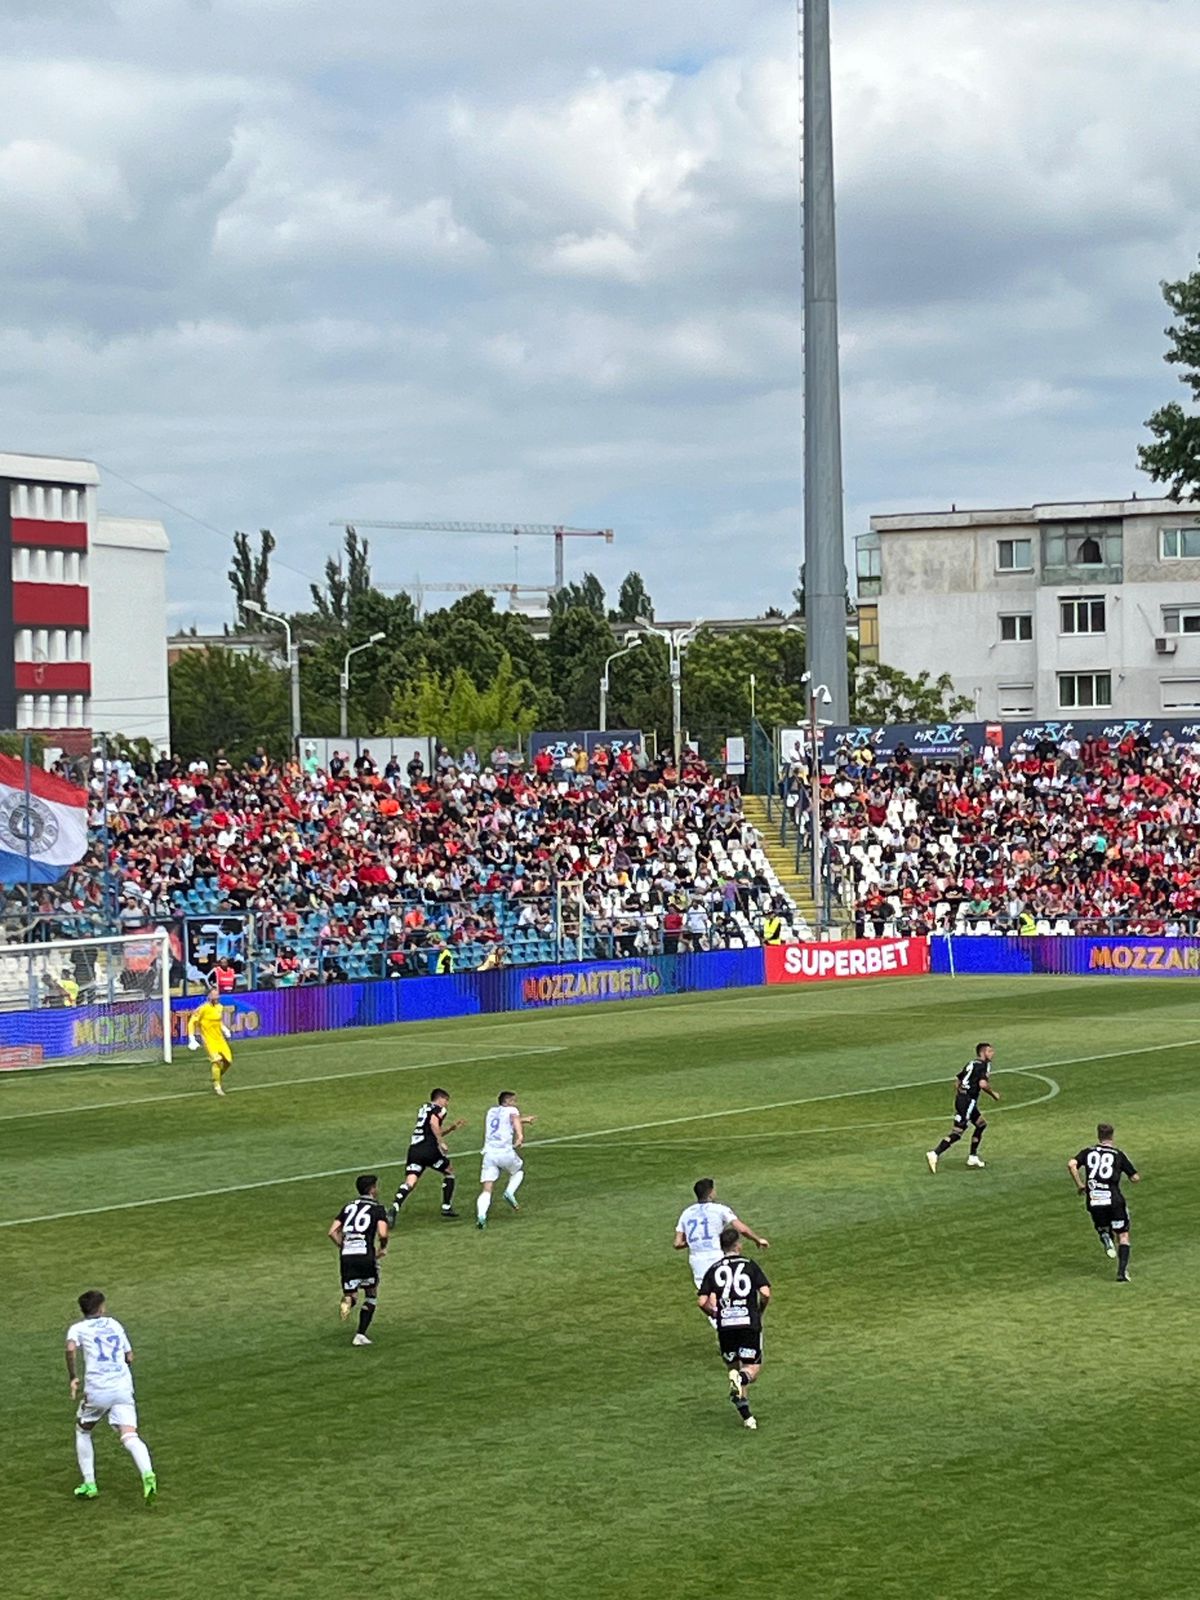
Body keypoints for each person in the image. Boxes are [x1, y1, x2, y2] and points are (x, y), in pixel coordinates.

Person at [65, 1290, 157, 1504]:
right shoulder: (114, 1324)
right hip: (123, 1387)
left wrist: (73, 1376)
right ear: (102, 1307)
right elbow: (129, 1356)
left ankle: (89, 1484)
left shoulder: (77, 1328)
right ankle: (147, 1473)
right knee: (129, 1436)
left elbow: (70, 1348)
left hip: (98, 1390)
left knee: (83, 1430)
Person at [697, 1228, 772, 1431]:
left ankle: (747, 1417)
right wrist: (759, 1311)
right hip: (748, 1323)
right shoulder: (749, 1265)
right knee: (751, 1369)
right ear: (738, 1245)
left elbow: (702, 1301)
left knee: (733, 1367)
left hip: (725, 1326)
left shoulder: (713, 1269)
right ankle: (741, 1379)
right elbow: (765, 1293)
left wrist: (714, 1314)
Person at [1068, 1123, 1140, 1282]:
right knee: (1122, 1235)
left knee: (1103, 1226)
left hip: (1094, 1198)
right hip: (1114, 1199)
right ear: (1112, 1136)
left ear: (1098, 1136)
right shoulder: (1117, 1154)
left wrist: (1080, 1184)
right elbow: (1135, 1178)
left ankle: (1104, 1235)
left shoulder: (1088, 1152)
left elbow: (1071, 1164)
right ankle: (1121, 1272)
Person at [673, 1178, 769, 1295]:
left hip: (697, 1260)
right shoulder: (719, 1209)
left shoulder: (686, 1213)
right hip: (716, 1256)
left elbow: (677, 1243)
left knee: (706, 1296)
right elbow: (741, 1229)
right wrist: (757, 1239)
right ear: (710, 1192)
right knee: (724, 1294)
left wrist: (697, 1240)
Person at [328, 1175, 390, 1345]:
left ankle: (348, 1302)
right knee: (371, 1293)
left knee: (351, 1292)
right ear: (371, 1189)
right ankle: (360, 1335)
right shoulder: (377, 1209)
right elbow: (383, 1233)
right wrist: (383, 1248)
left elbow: (332, 1231)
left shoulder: (348, 1207)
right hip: (365, 1255)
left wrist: (344, 1246)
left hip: (347, 1256)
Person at [390, 1090, 467, 1221]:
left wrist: (451, 1128)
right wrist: (441, 1143)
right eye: (446, 1100)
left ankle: (394, 1208)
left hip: (415, 1149)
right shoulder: (439, 1109)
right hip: (429, 1149)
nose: (447, 1104)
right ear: (440, 1098)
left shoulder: (424, 1108)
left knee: (410, 1181)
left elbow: (430, 1130)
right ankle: (446, 1206)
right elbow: (433, 1123)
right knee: (449, 1171)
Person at [926, 1043, 1000, 1172]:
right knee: (958, 1132)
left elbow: (958, 1079)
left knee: (981, 1124)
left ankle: (972, 1156)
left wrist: (961, 1094)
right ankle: (935, 1153)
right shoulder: (983, 1065)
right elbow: (982, 1084)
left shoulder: (971, 1063)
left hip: (963, 1099)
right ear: (983, 1053)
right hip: (968, 1101)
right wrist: (993, 1094)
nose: (992, 1053)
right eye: (990, 1051)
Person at [475, 1091, 537, 1229]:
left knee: (487, 1188)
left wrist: (524, 1120)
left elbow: (506, 1121)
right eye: (514, 1101)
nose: (516, 1104)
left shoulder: (491, 1112)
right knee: (518, 1171)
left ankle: (481, 1216)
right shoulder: (512, 1110)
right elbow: (514, 1119)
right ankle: (510, 1192)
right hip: (505, 1152)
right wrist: (520, 1136)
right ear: (508, 1102)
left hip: (489, 1154)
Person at [186, 986, 233, 1096]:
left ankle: (216, 1077)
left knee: (228, 1061)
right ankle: (217, 1086)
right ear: (209, 996)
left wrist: (224, 1029)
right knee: (216, 1060)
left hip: (220, 1039)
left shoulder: (220, 1007)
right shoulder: (202, 1009)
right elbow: (191, 1022)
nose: (216, 997)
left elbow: (218, 1021)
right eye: (214, 994)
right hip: (208, 1039)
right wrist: (192, 1038)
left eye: (217, 994)